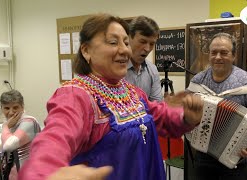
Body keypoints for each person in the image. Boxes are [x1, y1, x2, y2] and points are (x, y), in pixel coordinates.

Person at [18, 13, 203, 180]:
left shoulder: (131, 92)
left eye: (126, 42)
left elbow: (159, 116)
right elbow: (54, 139)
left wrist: (185, 116)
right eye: (113, 42)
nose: (125, 50)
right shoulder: (75, 95)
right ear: (86, 51)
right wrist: (46, 173)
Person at [186, 32, 247, 180]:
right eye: (214, 52)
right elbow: (185, 112)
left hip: (235, 158)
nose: (218, 57)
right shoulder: (198, 81)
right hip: (203, 156)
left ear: (233, 56)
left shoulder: (246, 82)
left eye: (224, 52)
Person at [0, 89, 41, 180]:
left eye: (15, 107)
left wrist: (5, 127)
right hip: (13, 173)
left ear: (22, 107)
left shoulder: (29, 121)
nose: (11, 112)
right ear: (1, 108)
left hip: (29, 174)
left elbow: (8, 146)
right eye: (7, 108)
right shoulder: (10, 123)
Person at [125, 16, 163, 102]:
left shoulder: (152, 70)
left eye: (152, 44)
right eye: (142, 42)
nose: (147, 48)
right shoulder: (114, 69)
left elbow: (157, 106)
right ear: (129, 38)